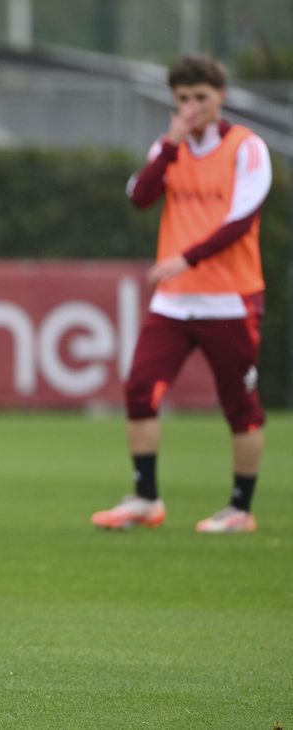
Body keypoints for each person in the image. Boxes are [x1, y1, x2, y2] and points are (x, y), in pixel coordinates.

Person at [92, 55, 272, 534]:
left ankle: (240, 508)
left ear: (221, 98)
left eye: (201, 98)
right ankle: (146, 498)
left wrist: (186, 258)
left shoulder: (246, 148)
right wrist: (171, 144)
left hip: (230, 298)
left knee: (240, 406)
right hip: (174, 302)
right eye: (184, 99)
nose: (192, 108)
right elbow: (139, 196)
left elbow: (241, 220)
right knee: (139, 391)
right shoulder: (168, 147)